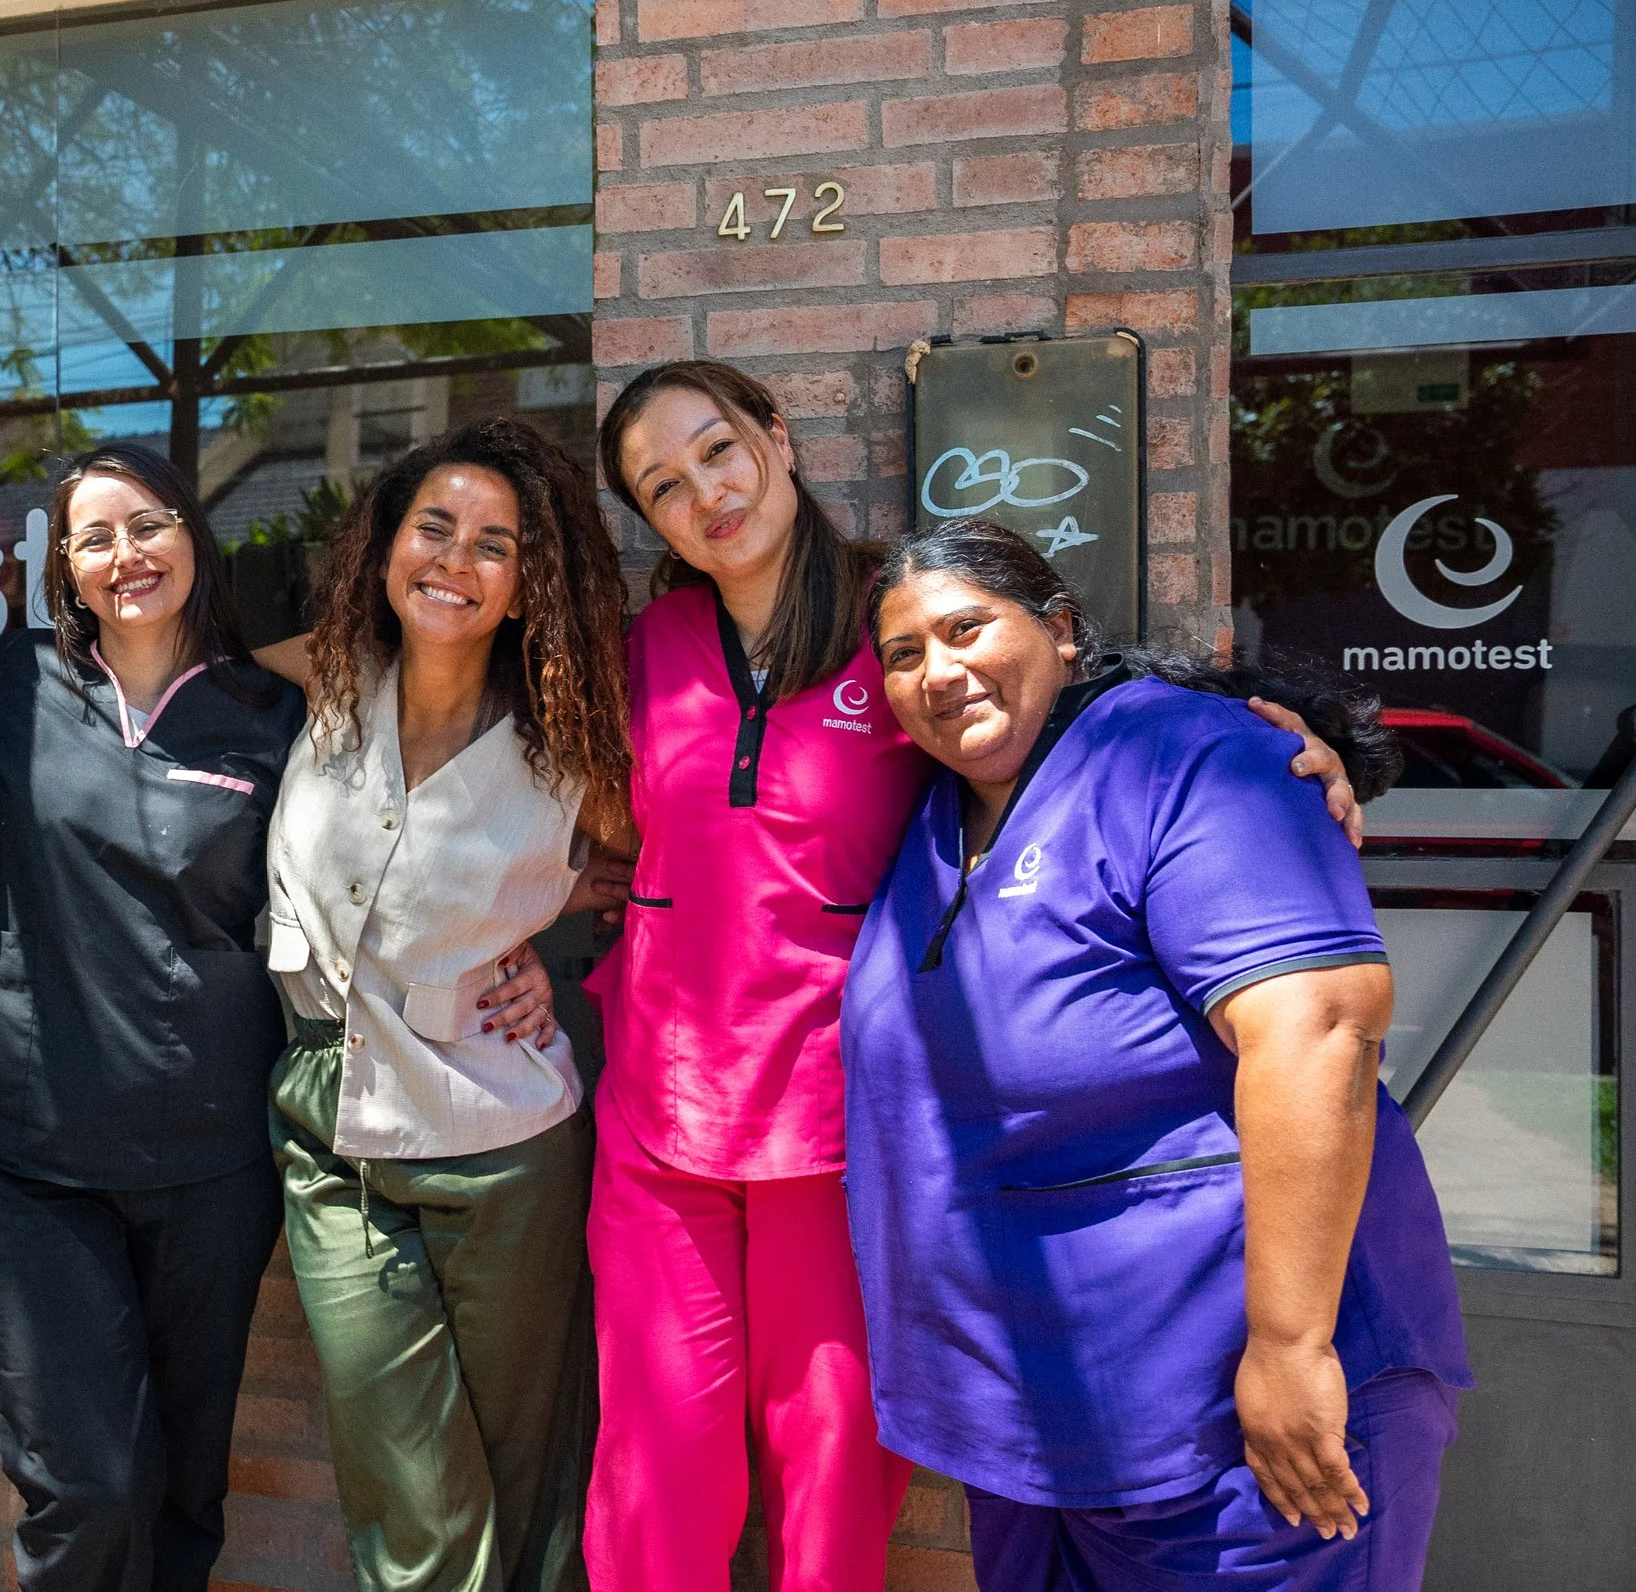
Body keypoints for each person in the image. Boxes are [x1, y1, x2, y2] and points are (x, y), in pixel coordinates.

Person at [582, 360, 1369, 1592]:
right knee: (653, 1473)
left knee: (831, 1476)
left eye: (717, 448)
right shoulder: (646, 650)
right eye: (663, 485)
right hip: (658, 1114)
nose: (705, 493)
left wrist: (1272, 732)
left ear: (776, 435)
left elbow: (1061, 712)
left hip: (842, 1125)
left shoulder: (900, 622)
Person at [842, 519, 1470, 1592]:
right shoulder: (937, 813)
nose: (938, 670)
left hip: (1226, 1413)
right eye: (904, 654)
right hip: (1045, 1424)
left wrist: (1289, 1348)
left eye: (966, 628)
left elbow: (1317, 1027)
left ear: (1061, 629)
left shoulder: (1188, 758)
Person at [254, 416, 627, 1592]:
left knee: (525, 1466)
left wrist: (550, 937)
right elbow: (185, 669)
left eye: (493, 544)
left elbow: (649, 869)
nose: (455, 559)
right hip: (327, 1137)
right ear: (383, 548)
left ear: (525, 586)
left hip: (505, 1141)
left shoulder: (567, 739)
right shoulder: (322, 677)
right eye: (433, 527)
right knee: (404, 1477)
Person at [0, 442, 310, 1592]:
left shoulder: (270, 712)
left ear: (192, 532)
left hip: (213, 1160)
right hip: (26, 1156)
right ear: (65, 568)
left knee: (186, 1479)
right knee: (85, 1483)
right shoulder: (14, 684)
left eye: (147, 524)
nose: (124, 554)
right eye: (92, 537)